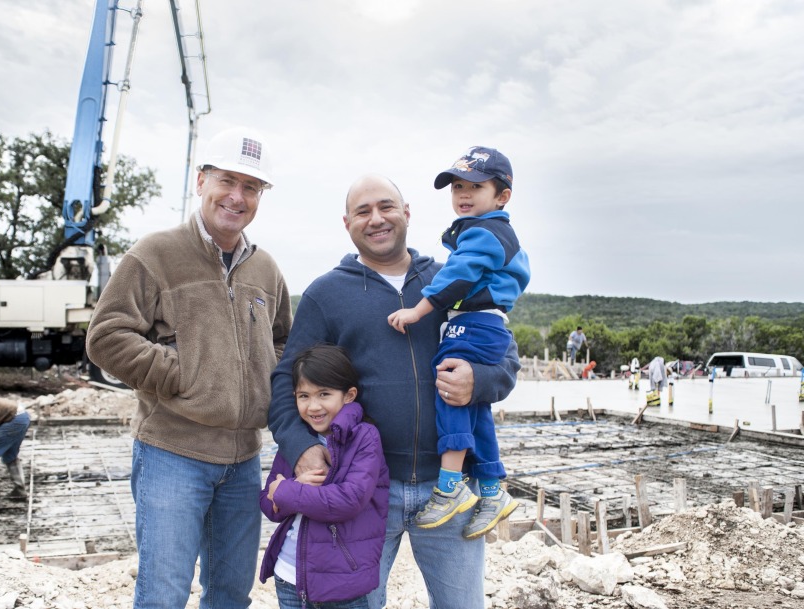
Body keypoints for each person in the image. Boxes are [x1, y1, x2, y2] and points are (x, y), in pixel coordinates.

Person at [268, 173, 521, 609]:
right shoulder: (326, 294)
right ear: (346, 223)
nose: (376, 219)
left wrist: (477, 382)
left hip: (451, 488)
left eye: (386, 207)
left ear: (406, 213)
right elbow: (285, 379)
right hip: (364, 487)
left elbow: (506, 360)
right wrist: (300, 447)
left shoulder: (453, 280)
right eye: (362, 211)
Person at [85, 126, 292, 609]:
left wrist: (263, 381)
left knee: (229, 594)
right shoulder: (155, 254)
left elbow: (284, 343)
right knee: (163, 594)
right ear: (201, 180)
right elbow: (106, 336)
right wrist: (182, 375)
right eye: (227, 181)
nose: (237, 197)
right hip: (172, 454)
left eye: (252, 187)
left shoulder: (266, 270)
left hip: (243, 460)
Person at [386, 146, 529, 538]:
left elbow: (460, 274)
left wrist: (418, 310)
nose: (463, 194)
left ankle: (449, 487)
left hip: (473, 322)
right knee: (472, 403)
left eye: (475, 186)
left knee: (448, 387)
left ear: (502, 196)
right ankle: (491, 489)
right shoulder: (486, 231)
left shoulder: (485, 232)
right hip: (481, 321)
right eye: (457, 187)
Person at [260, 344, 389, 609]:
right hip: (289, 575)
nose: (313, 406)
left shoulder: (364, 437)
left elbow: (348, 500)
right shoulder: (297, 441)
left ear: (349, 395)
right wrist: (291, 487)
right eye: (303, 396)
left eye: (324, 394)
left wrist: (288, 491)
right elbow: (268, 503)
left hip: (343, 581)